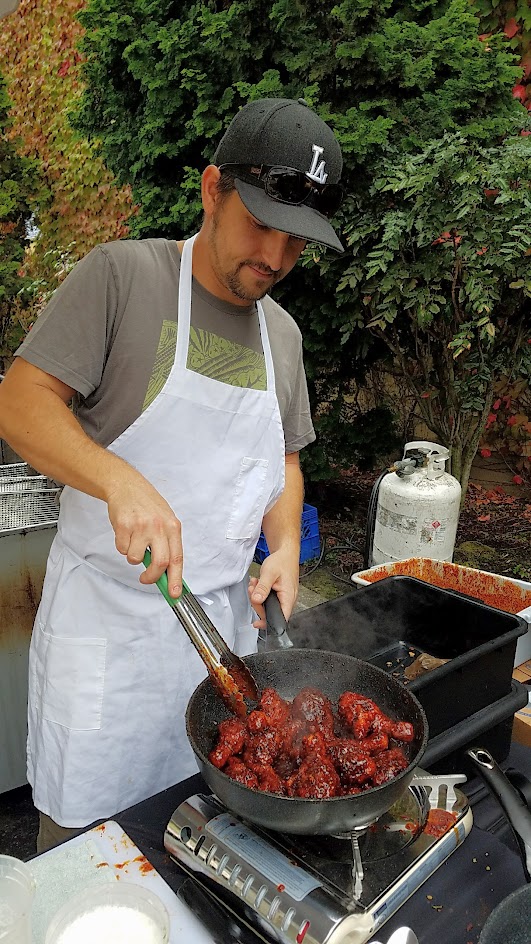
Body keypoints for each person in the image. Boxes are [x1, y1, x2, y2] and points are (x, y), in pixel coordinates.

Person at [0, 97, 344, 852]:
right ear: (211, 188)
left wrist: (282, 546)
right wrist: (117, 479)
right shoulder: (123, 278)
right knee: (88, 860)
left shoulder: (281, 336)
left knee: (203, 846)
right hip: (110, 636)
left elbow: (284, 458)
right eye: (260, 223)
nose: (275, 258)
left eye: (295, 242)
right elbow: (20, 404)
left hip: (222, 635)